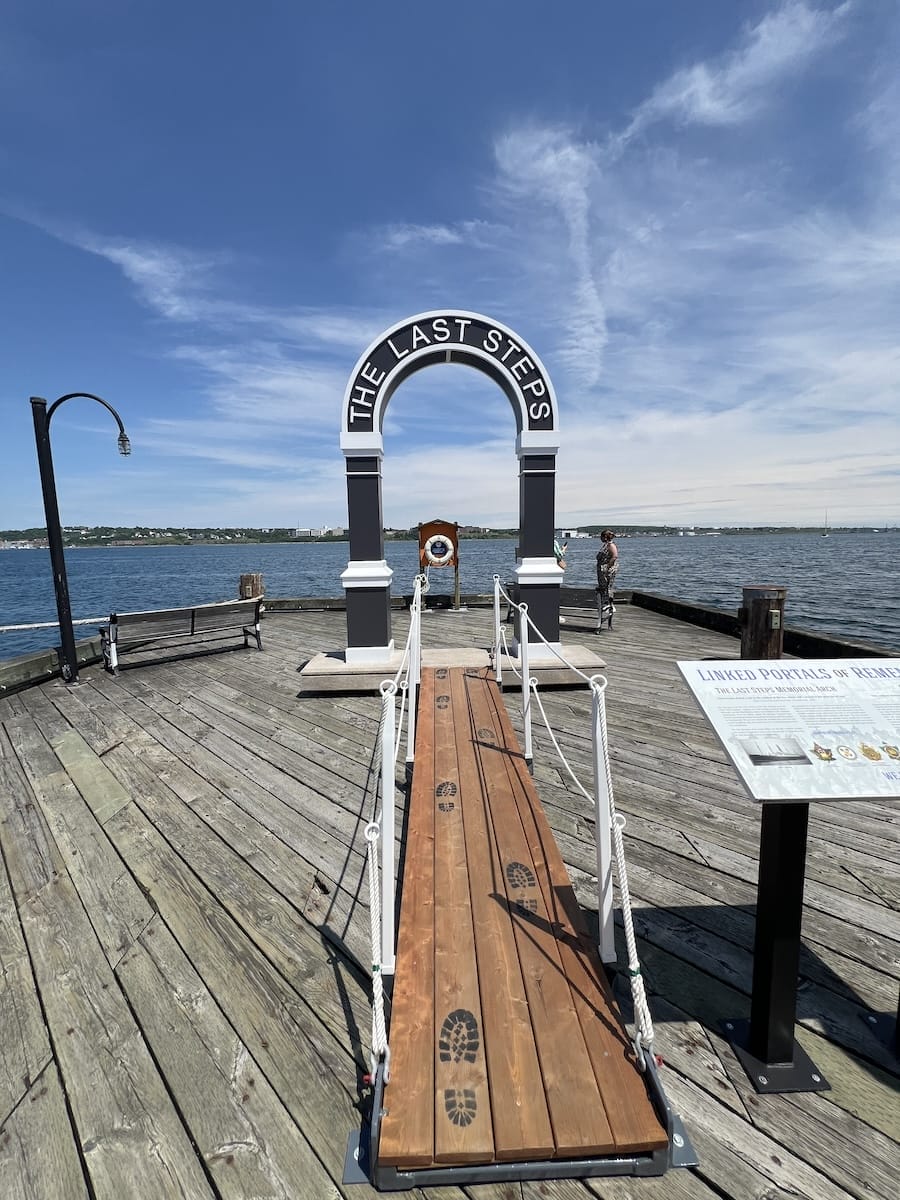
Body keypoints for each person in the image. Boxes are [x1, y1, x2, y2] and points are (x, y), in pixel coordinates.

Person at [595, 529, 619, 631]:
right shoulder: (606, 545)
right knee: (603, 587)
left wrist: (607, 567)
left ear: (605, 537)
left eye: (601, 536)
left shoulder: (611, 545)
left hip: (607, 571)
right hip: (602, 570)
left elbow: (614, 556)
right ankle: (606, 604)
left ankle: (608, 604)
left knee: (607, 587)